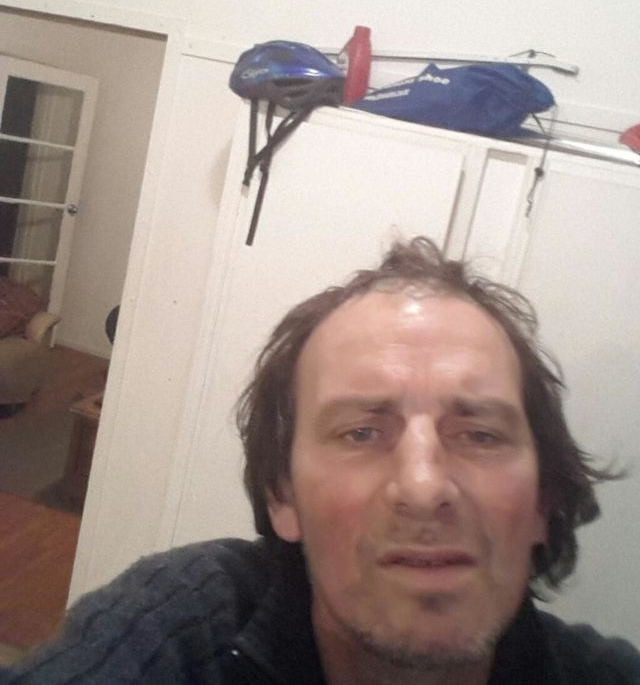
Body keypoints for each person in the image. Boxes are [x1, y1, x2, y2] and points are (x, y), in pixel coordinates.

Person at [2, 237, 639, 684]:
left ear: (544, 499)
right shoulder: (181, 626)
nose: (423, 487)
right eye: (361, 432)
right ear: (283, 497)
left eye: (480, 435)